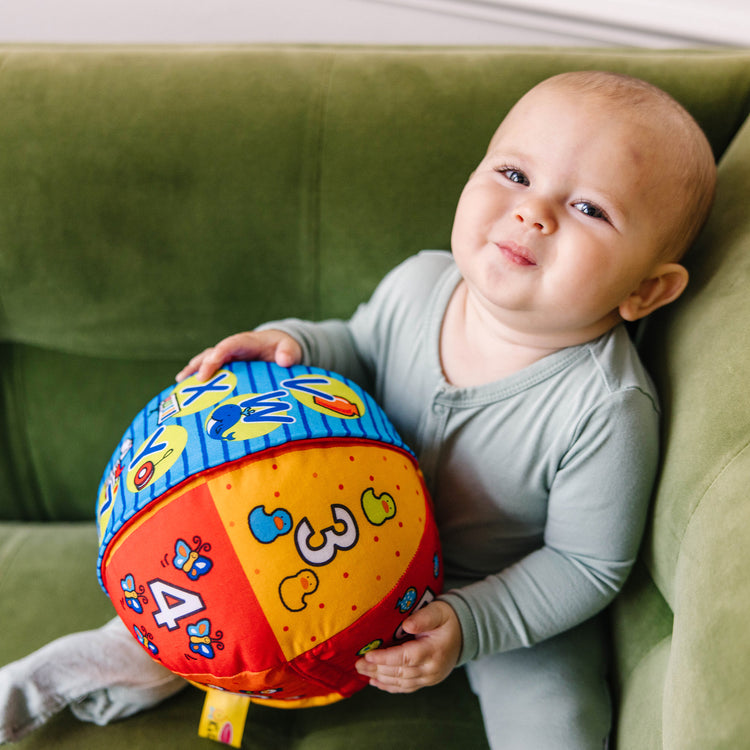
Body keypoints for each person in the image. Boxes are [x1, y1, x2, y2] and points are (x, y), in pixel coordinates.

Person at [0, 71, 716, 749]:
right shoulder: (419, 283)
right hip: (325, 548)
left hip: (486, 588)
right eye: (514, 174)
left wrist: (473, 625)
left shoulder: (606, 407)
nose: (534, 211)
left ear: (647, 292)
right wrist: (289, 342)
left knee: (556, 713)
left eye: (589, 208)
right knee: (204, 604)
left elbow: (584, 565)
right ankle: (61, 679)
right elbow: (354, 347)